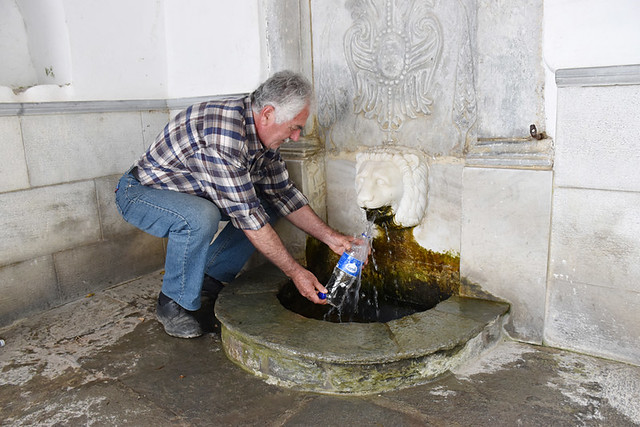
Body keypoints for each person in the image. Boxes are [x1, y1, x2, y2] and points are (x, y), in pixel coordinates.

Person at [115, 70, 353, 338]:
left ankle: (208, 279)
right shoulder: (224, 135)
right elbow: (248, 217)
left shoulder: (262, 135)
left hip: (191, 196)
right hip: (140, 193)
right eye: (294, 128)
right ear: (267, 114)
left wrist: (332, 238)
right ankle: (173, 303)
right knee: (200, 217)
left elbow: (284, 195)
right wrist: (296, 273)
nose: (296, 137)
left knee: (268, 202)